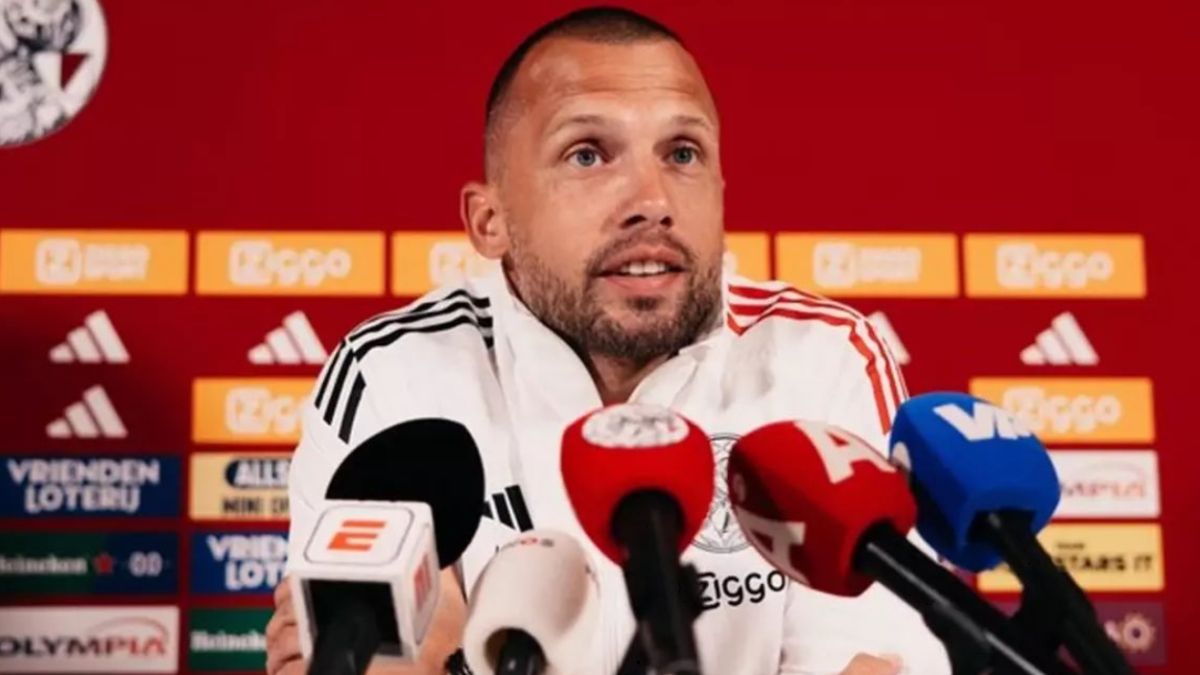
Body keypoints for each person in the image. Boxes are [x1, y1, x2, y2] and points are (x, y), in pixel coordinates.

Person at [266, 7, 951, 675]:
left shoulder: (824, 357)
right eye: (588, 154)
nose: (652, 200)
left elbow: (873, 665)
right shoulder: (390, 375)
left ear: (720, 189)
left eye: (682, 153)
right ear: (489, 220)